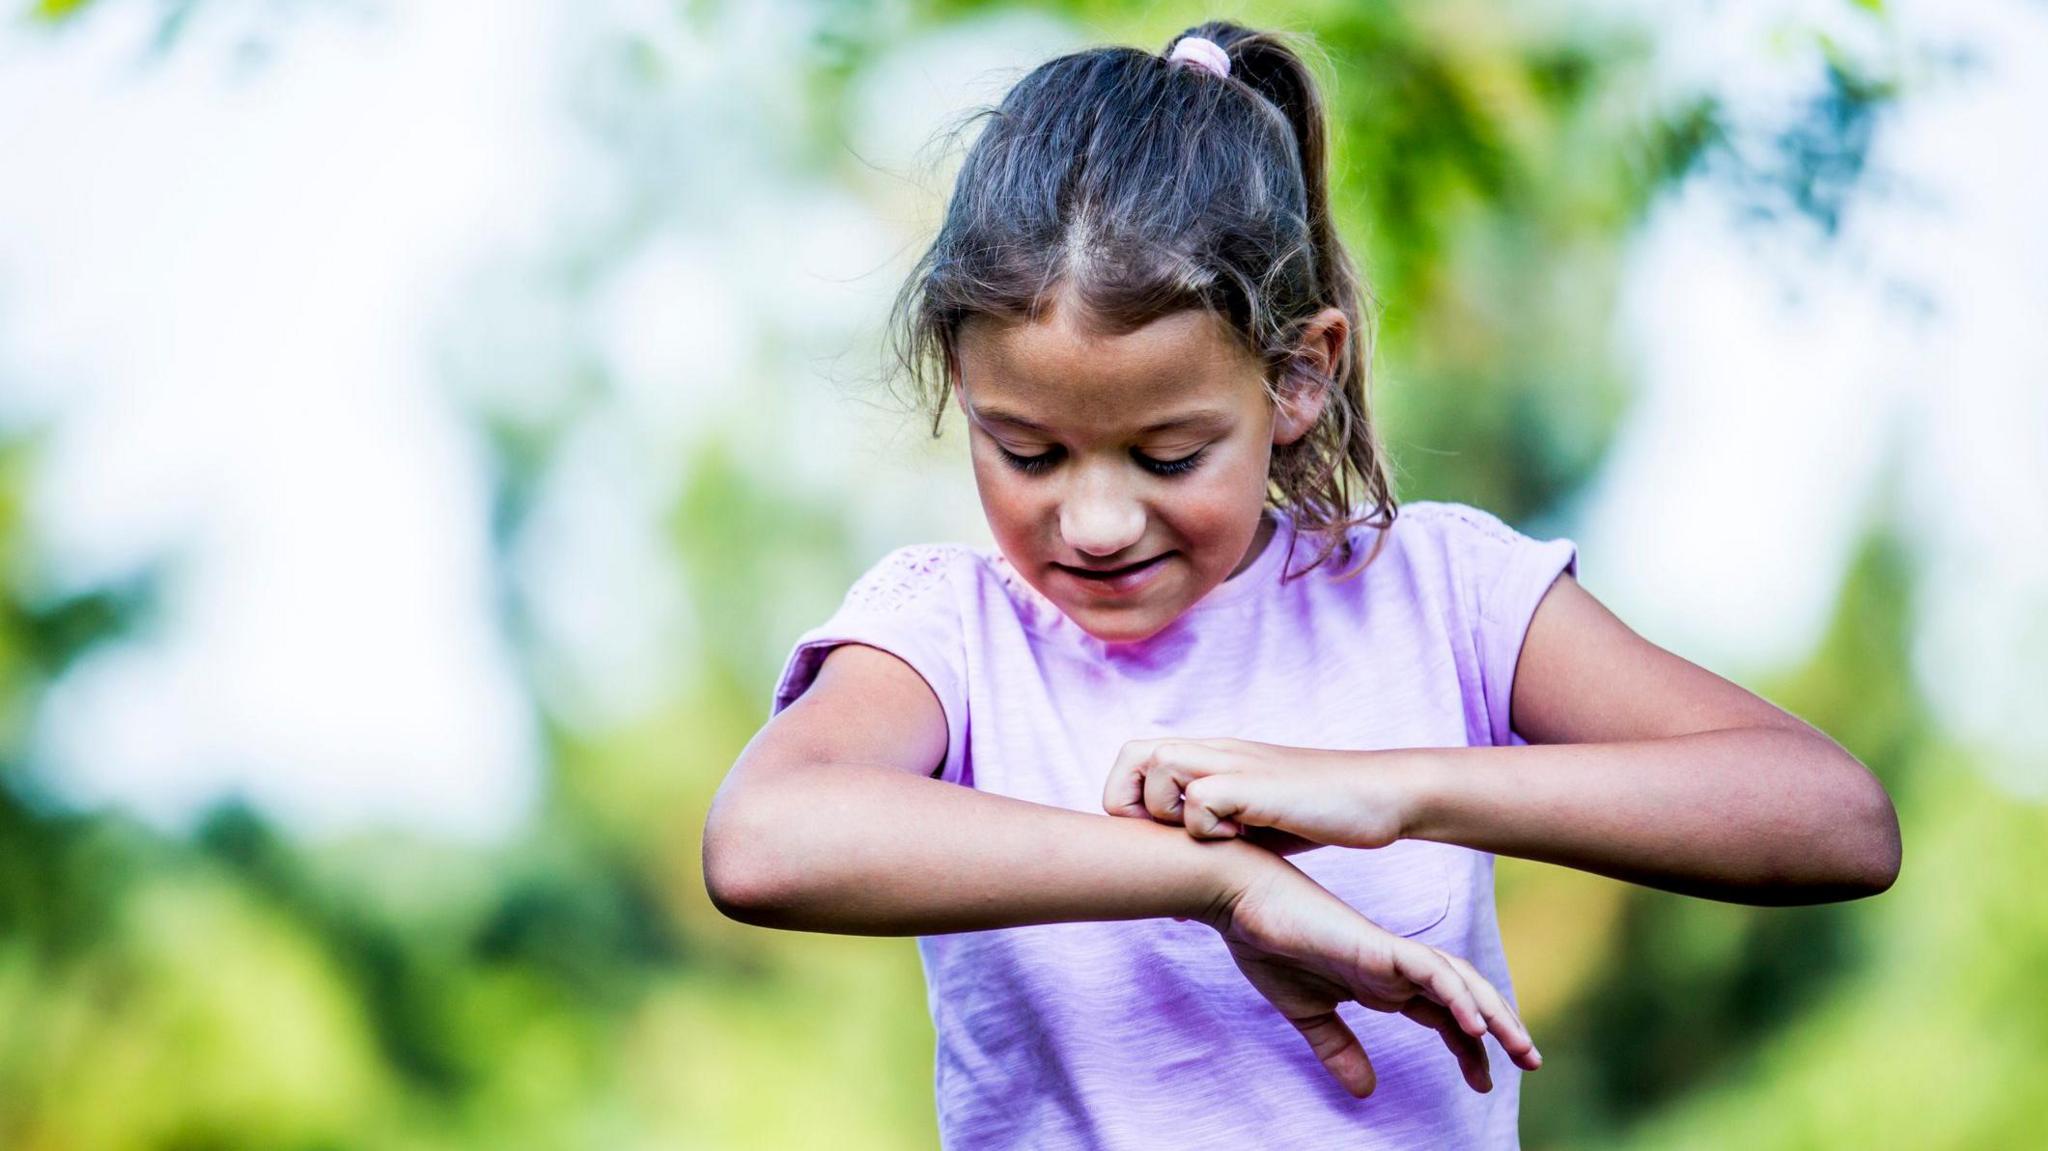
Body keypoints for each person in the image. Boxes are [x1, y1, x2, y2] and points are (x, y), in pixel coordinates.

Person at [702, 20, 1901, 1150]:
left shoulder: (1440, 592)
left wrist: (1386, 790)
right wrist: (1220, 881)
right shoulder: (945, 632)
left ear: (1296, 376)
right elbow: (763, 841)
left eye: (1168, 454)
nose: (1096, 520)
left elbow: (1830, 818)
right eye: (1025, 452)